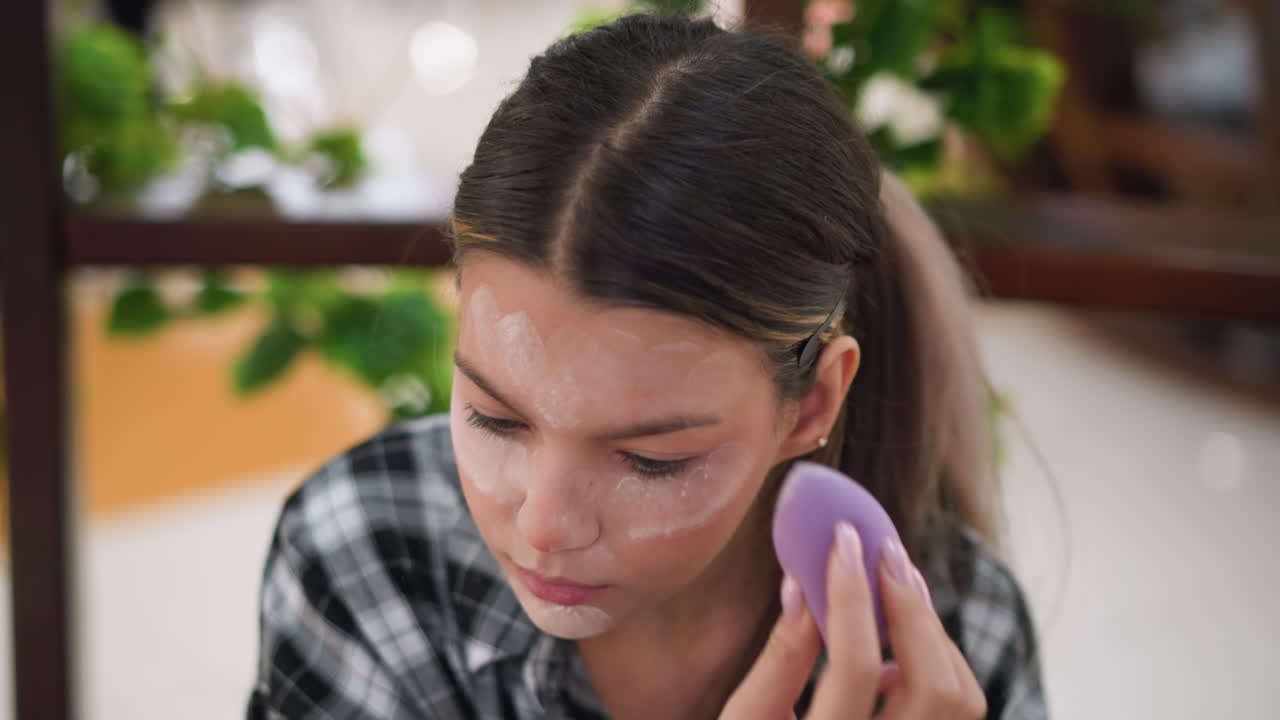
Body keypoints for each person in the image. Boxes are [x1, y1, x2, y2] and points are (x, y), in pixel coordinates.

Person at [247, 13, 1046, 720]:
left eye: (651, 459)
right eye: (495, 417)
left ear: (810, 405)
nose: (545, 526)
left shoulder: (952, 644)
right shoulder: (365, 549)